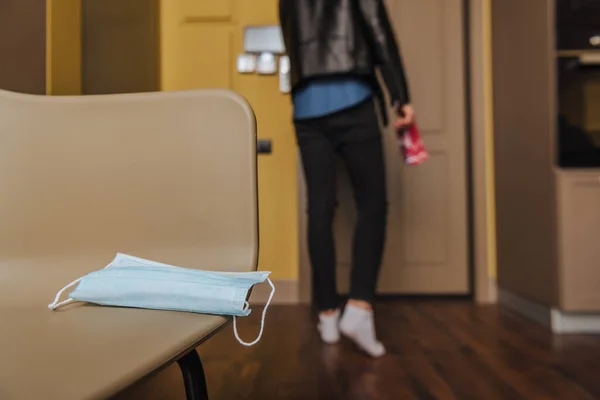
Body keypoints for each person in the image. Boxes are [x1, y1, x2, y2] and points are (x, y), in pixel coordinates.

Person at [279, 0, 415, 357]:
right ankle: (359, 308)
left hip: (306, 108)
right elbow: (379, 31)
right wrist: (400, 94)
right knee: (372, 203)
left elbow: (290, 36)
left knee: (320, 208)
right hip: (352, 100)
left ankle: (327, 313)